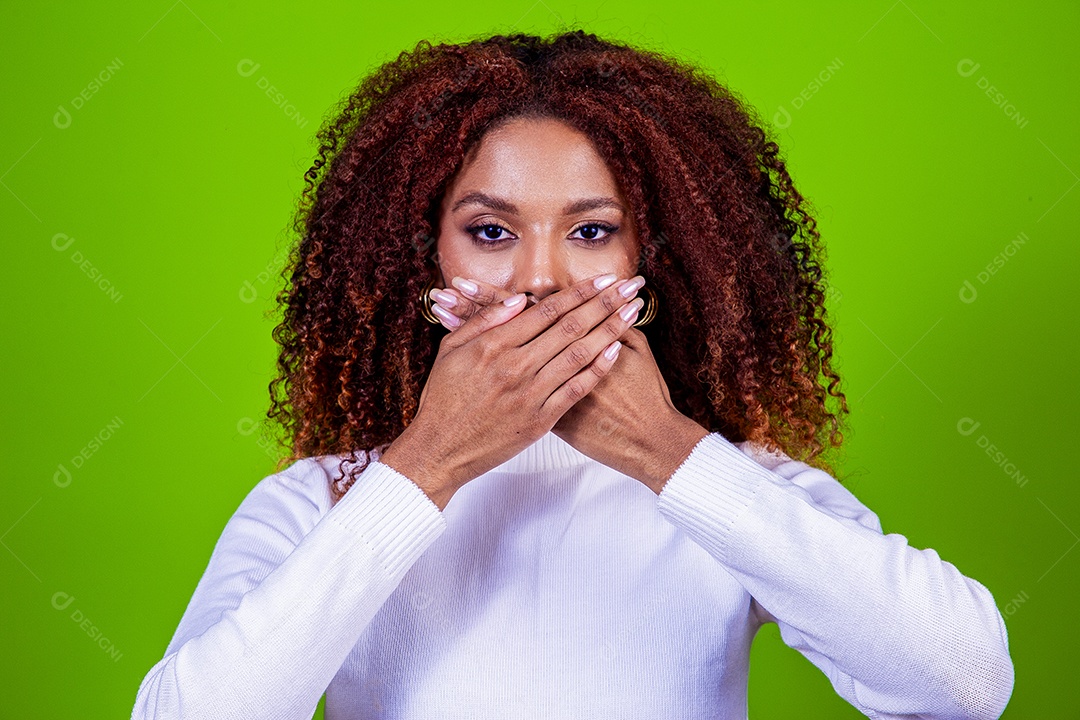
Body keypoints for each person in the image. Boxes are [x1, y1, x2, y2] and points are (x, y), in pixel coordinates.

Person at [131, 30, 1015, 720]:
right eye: (490, 232)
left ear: (659, 258)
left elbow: (965, 683)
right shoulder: (327, 499)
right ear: (424, 256)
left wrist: (670, 453)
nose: (541, 279)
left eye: (592, 231)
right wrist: (428, 463)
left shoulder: (732, 486)